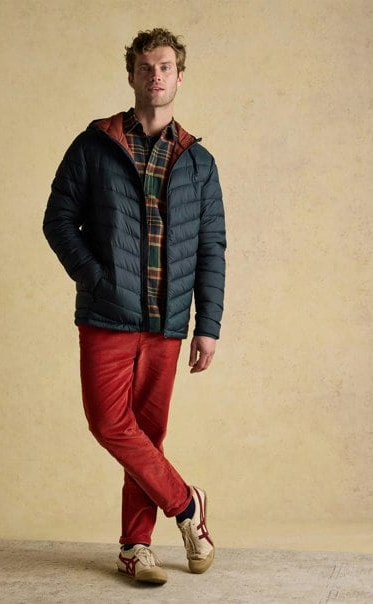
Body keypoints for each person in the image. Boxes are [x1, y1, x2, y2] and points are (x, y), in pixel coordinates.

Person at [43, 27, 226, 585]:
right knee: (109, 423)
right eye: (146, 67)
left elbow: (211, 247)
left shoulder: (199, 163)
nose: (156, 76)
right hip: (108, 313)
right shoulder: (93, 146)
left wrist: (208, 324)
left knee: (147, 435)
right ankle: (186, 504)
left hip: (168, 322)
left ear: (179, 76)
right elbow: (58, 221)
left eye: (165, 67)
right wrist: (97, 279)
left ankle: (135, 547)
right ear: (131, 75)